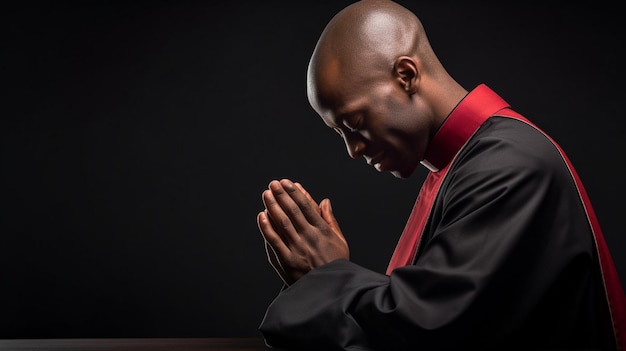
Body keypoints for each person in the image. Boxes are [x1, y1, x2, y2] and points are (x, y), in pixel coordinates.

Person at [255, 1, 626, 350]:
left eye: (355, 124)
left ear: (406, 75)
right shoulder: (468, 162)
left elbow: (431, 328)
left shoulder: (510, 166)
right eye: (340, 134)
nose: (353, 150)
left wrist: (328, 278)